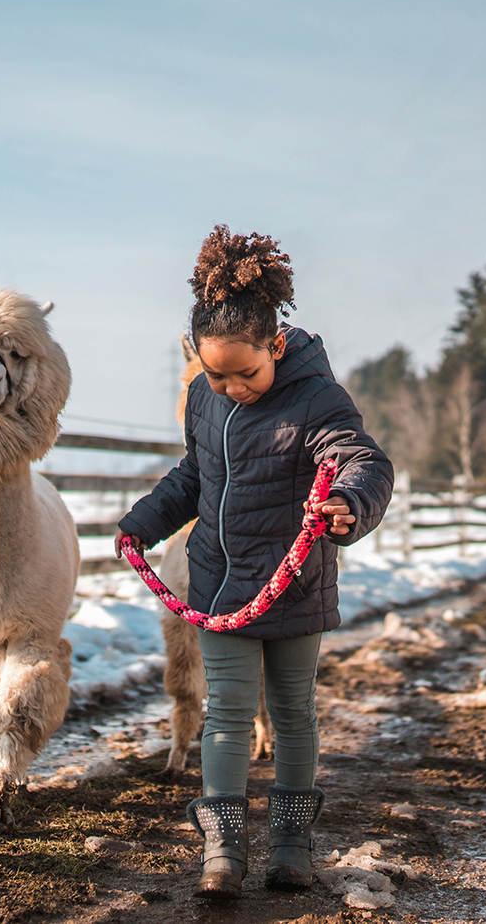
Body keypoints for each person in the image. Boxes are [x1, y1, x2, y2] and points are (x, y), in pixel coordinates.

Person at [115, 226, 393, 898]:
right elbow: (194, 475)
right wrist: (142, 522)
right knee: (230, 714)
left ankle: (292, 845)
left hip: (294, 585)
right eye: (216, 373)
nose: (232, 386)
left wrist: (351, 503)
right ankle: (223, 851)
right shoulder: (207, 400)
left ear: (275, 346)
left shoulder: (316, 398)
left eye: (246, 372)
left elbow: (363, 460)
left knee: (293, 711)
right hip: (218, 583)